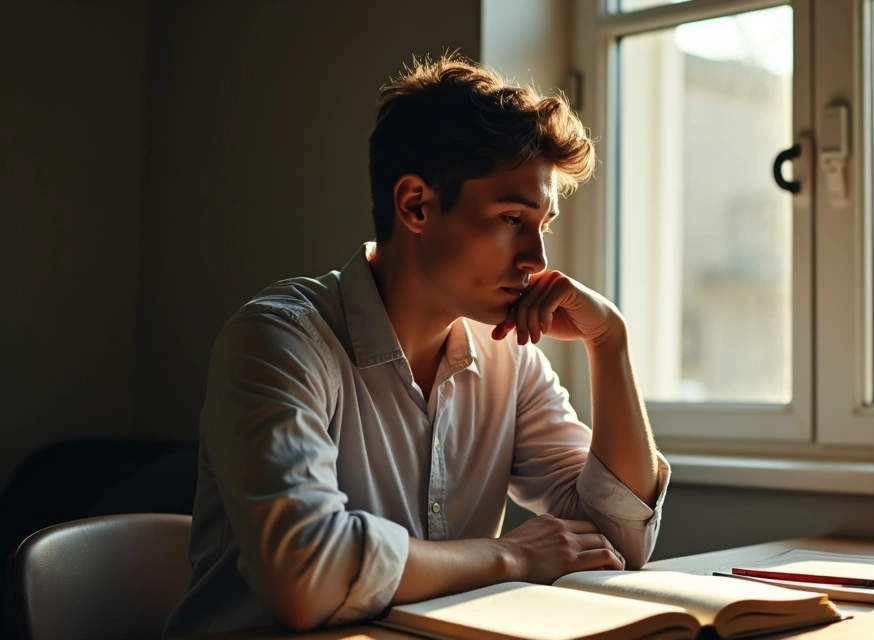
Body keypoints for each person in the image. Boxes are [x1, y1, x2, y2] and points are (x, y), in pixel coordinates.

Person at [163, 55, 669, 637]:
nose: (538, 261)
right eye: (511, 218)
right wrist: (513, 556)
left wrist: (611, 342)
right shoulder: (279, 342)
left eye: (542, 225)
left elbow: (621, 540)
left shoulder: (508, 358)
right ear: (416, 205)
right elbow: (304, 577)